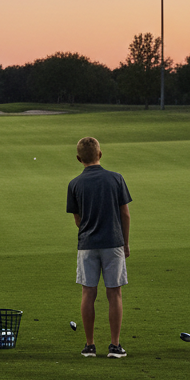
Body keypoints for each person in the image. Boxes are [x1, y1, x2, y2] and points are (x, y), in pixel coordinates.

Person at [66, 136, 132, 358]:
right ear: (100, 154)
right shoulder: (116, 179)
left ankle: (89, 345)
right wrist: (126, 242)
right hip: (113, 243)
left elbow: (77, 219)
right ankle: (114, 346)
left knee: (88, 293)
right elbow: (125, 213)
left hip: (87, 244)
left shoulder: (74, 184)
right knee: (114, 293)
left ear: (78, 158)